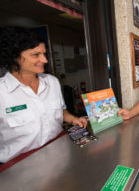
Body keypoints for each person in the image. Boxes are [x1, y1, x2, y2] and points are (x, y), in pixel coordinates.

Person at [0, 27, 87, 163]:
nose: (45, 60)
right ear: (14, 56)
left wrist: (72, 119)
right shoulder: (2, 92)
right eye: (36, 55)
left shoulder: (52, 82)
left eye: (44, 54)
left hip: (59, 154)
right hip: (19, 166)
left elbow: (61, 110)